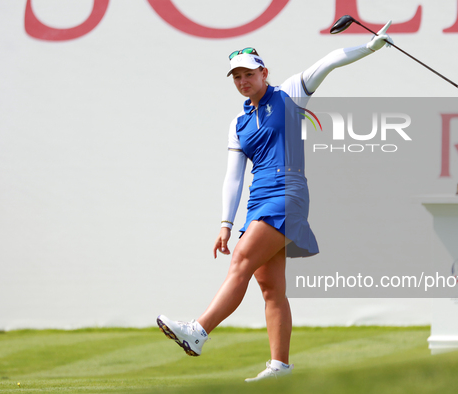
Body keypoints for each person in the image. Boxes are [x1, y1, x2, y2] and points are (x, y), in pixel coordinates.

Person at [157, 21, 393, 382]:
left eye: (248, 73)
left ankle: (198, 331)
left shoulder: (291, 93)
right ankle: (280, 367)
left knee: (242, 259)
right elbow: (233, 176)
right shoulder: (239, 121)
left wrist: (370, 47)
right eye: (236, 76)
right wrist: (225, 223)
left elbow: (329, 60)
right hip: (259, 201)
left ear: (264, 72)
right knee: (271, 288)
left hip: (289, 193)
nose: (242, 81)